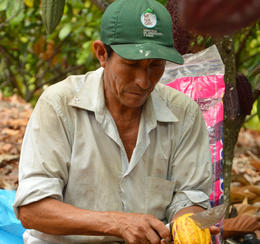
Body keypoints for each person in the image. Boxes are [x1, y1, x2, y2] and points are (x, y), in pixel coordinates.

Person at [13, 0, 219, 243]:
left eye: (155, 65)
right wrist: (117, 223)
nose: (144, 81)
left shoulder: (184, 113)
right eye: (131, 65)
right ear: (102, 53)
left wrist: (187, 225)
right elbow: (33, 209)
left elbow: (189, 198)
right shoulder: (59, 105)